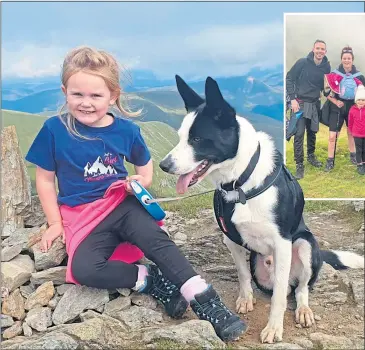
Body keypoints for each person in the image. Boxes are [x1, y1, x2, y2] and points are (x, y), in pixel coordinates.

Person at [25, 46, 246, 342]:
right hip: (84, 217)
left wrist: (139, 182)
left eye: (96, 96)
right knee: (84, 269)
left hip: (122, 203)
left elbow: (145, 166)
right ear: (65, 91)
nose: (86, 103)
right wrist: (54, 223)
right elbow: (44, 180)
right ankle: (150, 280)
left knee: (157, 242)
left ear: (113, 96)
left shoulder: (126, 131)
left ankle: (206, 300)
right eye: (77, 95)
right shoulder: (54, 129)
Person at [286, 39, 331, 179]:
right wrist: (292, 99)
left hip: (315, 103)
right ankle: (299, 164)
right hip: (299, 103)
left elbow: (325, 89)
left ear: (325, 51)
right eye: (317, 48)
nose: (320, 51)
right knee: (299, 134)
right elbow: (289, 78)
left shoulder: (326, 67)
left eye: (322, 49)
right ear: (313, 49)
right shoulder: (302, 63)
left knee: (312, 132)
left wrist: (329, 91)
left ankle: (311, 156)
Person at [323, 46, 365, 172]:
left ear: (352, 59)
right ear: (341, 59)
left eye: (349, 58)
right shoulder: (334, 75)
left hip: (352, 108)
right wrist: (336, 101)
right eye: (344, 58)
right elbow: (326, 93)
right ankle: (330, 160)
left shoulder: (359, 76)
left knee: (351, 133)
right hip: (337, 107)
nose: (346, 60)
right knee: (332, 136)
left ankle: (353, 155)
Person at [348, 85, 365, 175]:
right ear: (356, 100)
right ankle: (359, 165)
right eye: (359, 100)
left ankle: (364, 164)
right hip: (357, 134)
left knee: (364, 149)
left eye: (363, 100)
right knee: (359, 150)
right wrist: (351, 131)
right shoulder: (352, 110)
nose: (361, 102)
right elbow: (350, 122)